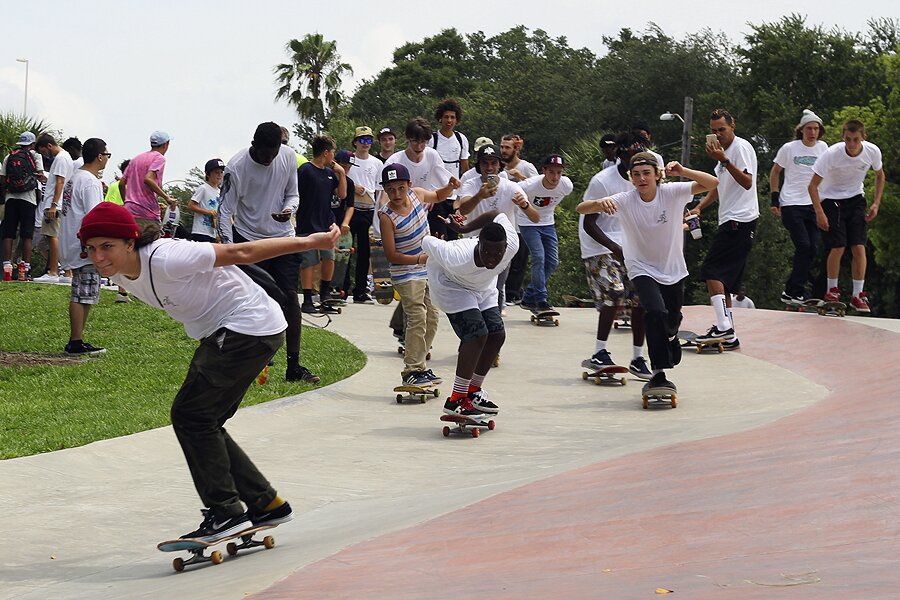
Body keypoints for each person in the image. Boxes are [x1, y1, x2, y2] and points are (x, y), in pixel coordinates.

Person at [79, 200, 340, 542]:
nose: (99, 257)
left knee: (191, 416)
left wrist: (311, 243)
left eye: (107, 247)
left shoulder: (168, 256)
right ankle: (266, 502)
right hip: (237, 331)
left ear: (130, 242)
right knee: (204, 420)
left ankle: (226, 512)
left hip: (247, 326)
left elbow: (243, 252)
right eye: (92, 248)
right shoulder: (120, 271)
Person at [577, 153, 718, 394]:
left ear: (657, 175)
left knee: (672, 320)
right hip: (640, 267)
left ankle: (672, 336)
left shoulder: (673, 192)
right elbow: (582, 208)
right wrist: (600, 203)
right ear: (631, 178)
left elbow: (712, 183)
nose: (642, 179)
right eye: (636, 174)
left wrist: (684, 171)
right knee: (654, 311)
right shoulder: (625, 199)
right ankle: (658, 373)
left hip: (672, 268)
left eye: (646, 173)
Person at [218, 122, 319, 383]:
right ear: (254, 146)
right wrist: (231, 252)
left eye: (273, 154)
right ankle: (247, 361)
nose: (269, 160)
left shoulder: (286, 156)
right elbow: (224, 211)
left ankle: (294, 367)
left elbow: (293, 195)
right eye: (265, 155)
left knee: (289, 299)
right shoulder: (236, 167)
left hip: (282, 238)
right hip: (248, 239)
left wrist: (289, 210)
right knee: (250, 301)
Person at [423, 210, 518, 418]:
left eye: (497, 254)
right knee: (476, 335)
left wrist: (465, 227)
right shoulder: (456, 256)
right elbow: (427, 241)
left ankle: (473, 391)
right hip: (451, 285)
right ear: (478, 245)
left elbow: (496, 213)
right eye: (487, 253)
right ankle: (456, 399)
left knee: (497, 334)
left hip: (483, 287)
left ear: (505, 248)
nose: (492, 259)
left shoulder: (513, 244)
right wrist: (450, 233)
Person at [579, 132, 651, 379]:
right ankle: (599, 352)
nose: (637, 165)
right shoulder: (602, 182)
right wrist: (615, 248)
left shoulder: (642, 181)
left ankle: (638, 357)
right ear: (620, 155)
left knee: (641, 296)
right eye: (632, 156)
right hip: (599, 246)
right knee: (615, 291)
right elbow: (589, 223)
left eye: (641, 159)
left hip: (629, 246)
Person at [379, 163, 456, 386]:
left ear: (409, 185)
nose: (396, 194)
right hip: (406, 273)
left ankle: (420, 366)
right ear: (385, 189)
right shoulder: (386, 216)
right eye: (390, 189)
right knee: (417, 316)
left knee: (432, 316)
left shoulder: (418, 195)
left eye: (400, 188)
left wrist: (450, 187)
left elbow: (438, 195)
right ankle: (411, 370)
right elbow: (391, 255)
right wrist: (418, 259)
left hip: (427, 268)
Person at [690, 109, 759, 349]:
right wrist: (700, 207)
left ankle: (723, 326)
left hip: (739, 220)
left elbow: (747, 181)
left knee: (711, 270)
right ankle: (728, 334)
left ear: (733, 126)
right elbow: (719, 187)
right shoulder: (724, 155)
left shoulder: (739, 149)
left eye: (722, 129)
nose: (718, 135)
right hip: (730, 219)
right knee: (725, 282)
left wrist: (725, 161)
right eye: (714, 131)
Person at [808, 119, 884, 313]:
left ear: (863, 138)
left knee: (859, 247)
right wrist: (820, 213)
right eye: (848, 139)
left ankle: (858, 295)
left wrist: (876, 203)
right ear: (843, 137)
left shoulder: (872, 152)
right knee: (838, 246)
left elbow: (880, 175)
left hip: (856, 199)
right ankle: (831, 290)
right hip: (831, 200)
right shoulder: (832, 154)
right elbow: (813, 186)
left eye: (856, 140)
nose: (851, 144)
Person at [456, 144, 538, 310]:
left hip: (501, 248)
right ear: (478, 165)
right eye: (485, 163)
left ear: (500, 165)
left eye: (493, 163)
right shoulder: (471, 184)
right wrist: (480, 195)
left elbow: (535, 217)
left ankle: (495, 321)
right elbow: (462, 209)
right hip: (473, 245)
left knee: (496, 289)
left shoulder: (511, 187)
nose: (489, 168)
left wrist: (524, 206)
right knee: (472, 288)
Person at [58, 138, 111, 355]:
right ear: (99, 156)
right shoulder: (90, 181)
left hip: (72, 241)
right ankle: (75, 341)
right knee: (81, 293)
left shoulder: (74, 177)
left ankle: (78, 339)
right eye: (107, 154)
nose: (107, 158)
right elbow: (94, 215)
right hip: (84, 245)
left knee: (86, 292)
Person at [769, 109, 828, 305]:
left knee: (812, 248)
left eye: (816, 129)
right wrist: (774, 199)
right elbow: (775, 172)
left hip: (814, 204)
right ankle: (797, 291)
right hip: (791, 203)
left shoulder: (823, 148)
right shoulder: (789, 148)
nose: (813, 132)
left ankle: (790, 291)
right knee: (803, 245)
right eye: (809, 128)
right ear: (801, 130)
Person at [297, 135, 348, 314]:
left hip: (326, 222)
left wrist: (341, 173)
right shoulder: (305, 170)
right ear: (325, 153)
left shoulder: (329, 173)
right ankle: (308, 298)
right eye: (332, 152)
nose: (333, 156)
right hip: (307, 223)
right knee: (309, 262)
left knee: (329, 258)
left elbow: (342, 195)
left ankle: (325, 294)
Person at [517, 154, 573, 312]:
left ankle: (528, 298)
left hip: (548, 223)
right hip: (528, 222)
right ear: (544, 171)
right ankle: (541, 299)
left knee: (552, 262)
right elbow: (514, 191)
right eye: (551, 172)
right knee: (539, 257)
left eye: (559, 172)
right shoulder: (530, 185)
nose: (555, 177)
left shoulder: (566, 185)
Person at [1, 131, 47, 280]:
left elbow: (2, 178)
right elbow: (40, 174)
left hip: (11, 198)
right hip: (28, 199)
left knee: (9, 234)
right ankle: (24, 270)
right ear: (32, 144)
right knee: (26, 235)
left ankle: (6, 267)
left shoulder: (9, 156)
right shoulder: (35, 155)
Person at [33, 134, 74, 283]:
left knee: (52, 237)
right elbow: (58, 180)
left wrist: (53, 205)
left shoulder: (61, 158)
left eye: (44, 151)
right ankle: (67, 272)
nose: (45, 155)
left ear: (49, 146)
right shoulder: (66, 157)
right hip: (57, 203)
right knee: (55, 238)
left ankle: (53, 272)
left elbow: (60, 182)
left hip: (54, 204)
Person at [347, 126, 381, 302]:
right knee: (345, 250)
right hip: (351, 210)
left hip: (369, 210)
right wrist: (353, 187)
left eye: (368, 140)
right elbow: (341, 179)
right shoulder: (349, 160)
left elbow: (379, 191)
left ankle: (360, 290)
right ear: (355, 142)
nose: (365, 144)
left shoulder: (377, 163)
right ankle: (342, 288)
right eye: (362, 140)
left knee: (364, 252)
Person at [120, 131, 176, 234]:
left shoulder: (136, 159)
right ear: (165, 144)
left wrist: (127, 201)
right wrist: (167, 197)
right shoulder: (159, 158)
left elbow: (122, 183)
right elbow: (148, 179)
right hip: (147, 213)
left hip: (130, 212)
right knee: (149, 247)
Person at [430, 99, 470, 240]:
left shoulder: (461, 139)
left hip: (454, 197)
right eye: (446, 116)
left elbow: (465, 168)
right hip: (436, 195)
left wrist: (465, 193)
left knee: (453, 237)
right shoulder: (432, 139)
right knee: (440, 236)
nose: (449, 120)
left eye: (452, 117)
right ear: (440, 118)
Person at [333, 149, 356, 299]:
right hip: (325, 223)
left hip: (341, 224)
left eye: (349, 167)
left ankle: (340, 288)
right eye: (344, 166)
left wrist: (346, 222)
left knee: (342, 258)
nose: (346, 169)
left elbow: (350, 205)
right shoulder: (326, 177)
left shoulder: (349, 183)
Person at [188, 159, 225, 243]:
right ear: (208, 174)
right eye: (216, 172)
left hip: (213, 232)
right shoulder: (203, 188)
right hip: (201, 232)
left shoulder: (220, 192)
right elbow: (191, 206)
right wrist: (209, 212)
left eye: (221, 172)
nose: (219, 175)